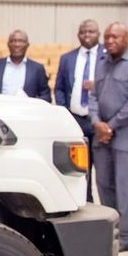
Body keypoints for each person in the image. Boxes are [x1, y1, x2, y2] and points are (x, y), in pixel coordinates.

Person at [90, 21, 128, 252]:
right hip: (102, 135)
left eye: (115, 37)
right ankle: (111, 233)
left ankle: (125, 236)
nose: (109, 41)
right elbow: (93, 95)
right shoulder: (103, 62)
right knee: (104, 184)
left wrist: (110, 126)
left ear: (127, 38)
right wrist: (97, 123)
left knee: (126, 186)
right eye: (107, 37)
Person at [54, 19, 104, 203]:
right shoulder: (67, 58)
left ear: (98, 34)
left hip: (99, 120)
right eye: (83, 32)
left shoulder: (107, 57)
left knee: (103, 169)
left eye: (91, 31)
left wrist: (96, 85)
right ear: (78, 35)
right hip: (75, 119)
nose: (87, 35)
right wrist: (64, 111)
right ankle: (86, 201)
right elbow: (59, 87)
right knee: (79, 168)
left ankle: (107, 205)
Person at [0, 29, 51, 101]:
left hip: (26, 111)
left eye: (21, 41)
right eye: (13, 41)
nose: (17, 44)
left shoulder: (37, 69)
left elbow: (46, 96)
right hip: (0, 110)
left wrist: (32, 102)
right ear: (8, 44)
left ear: (27, 45)